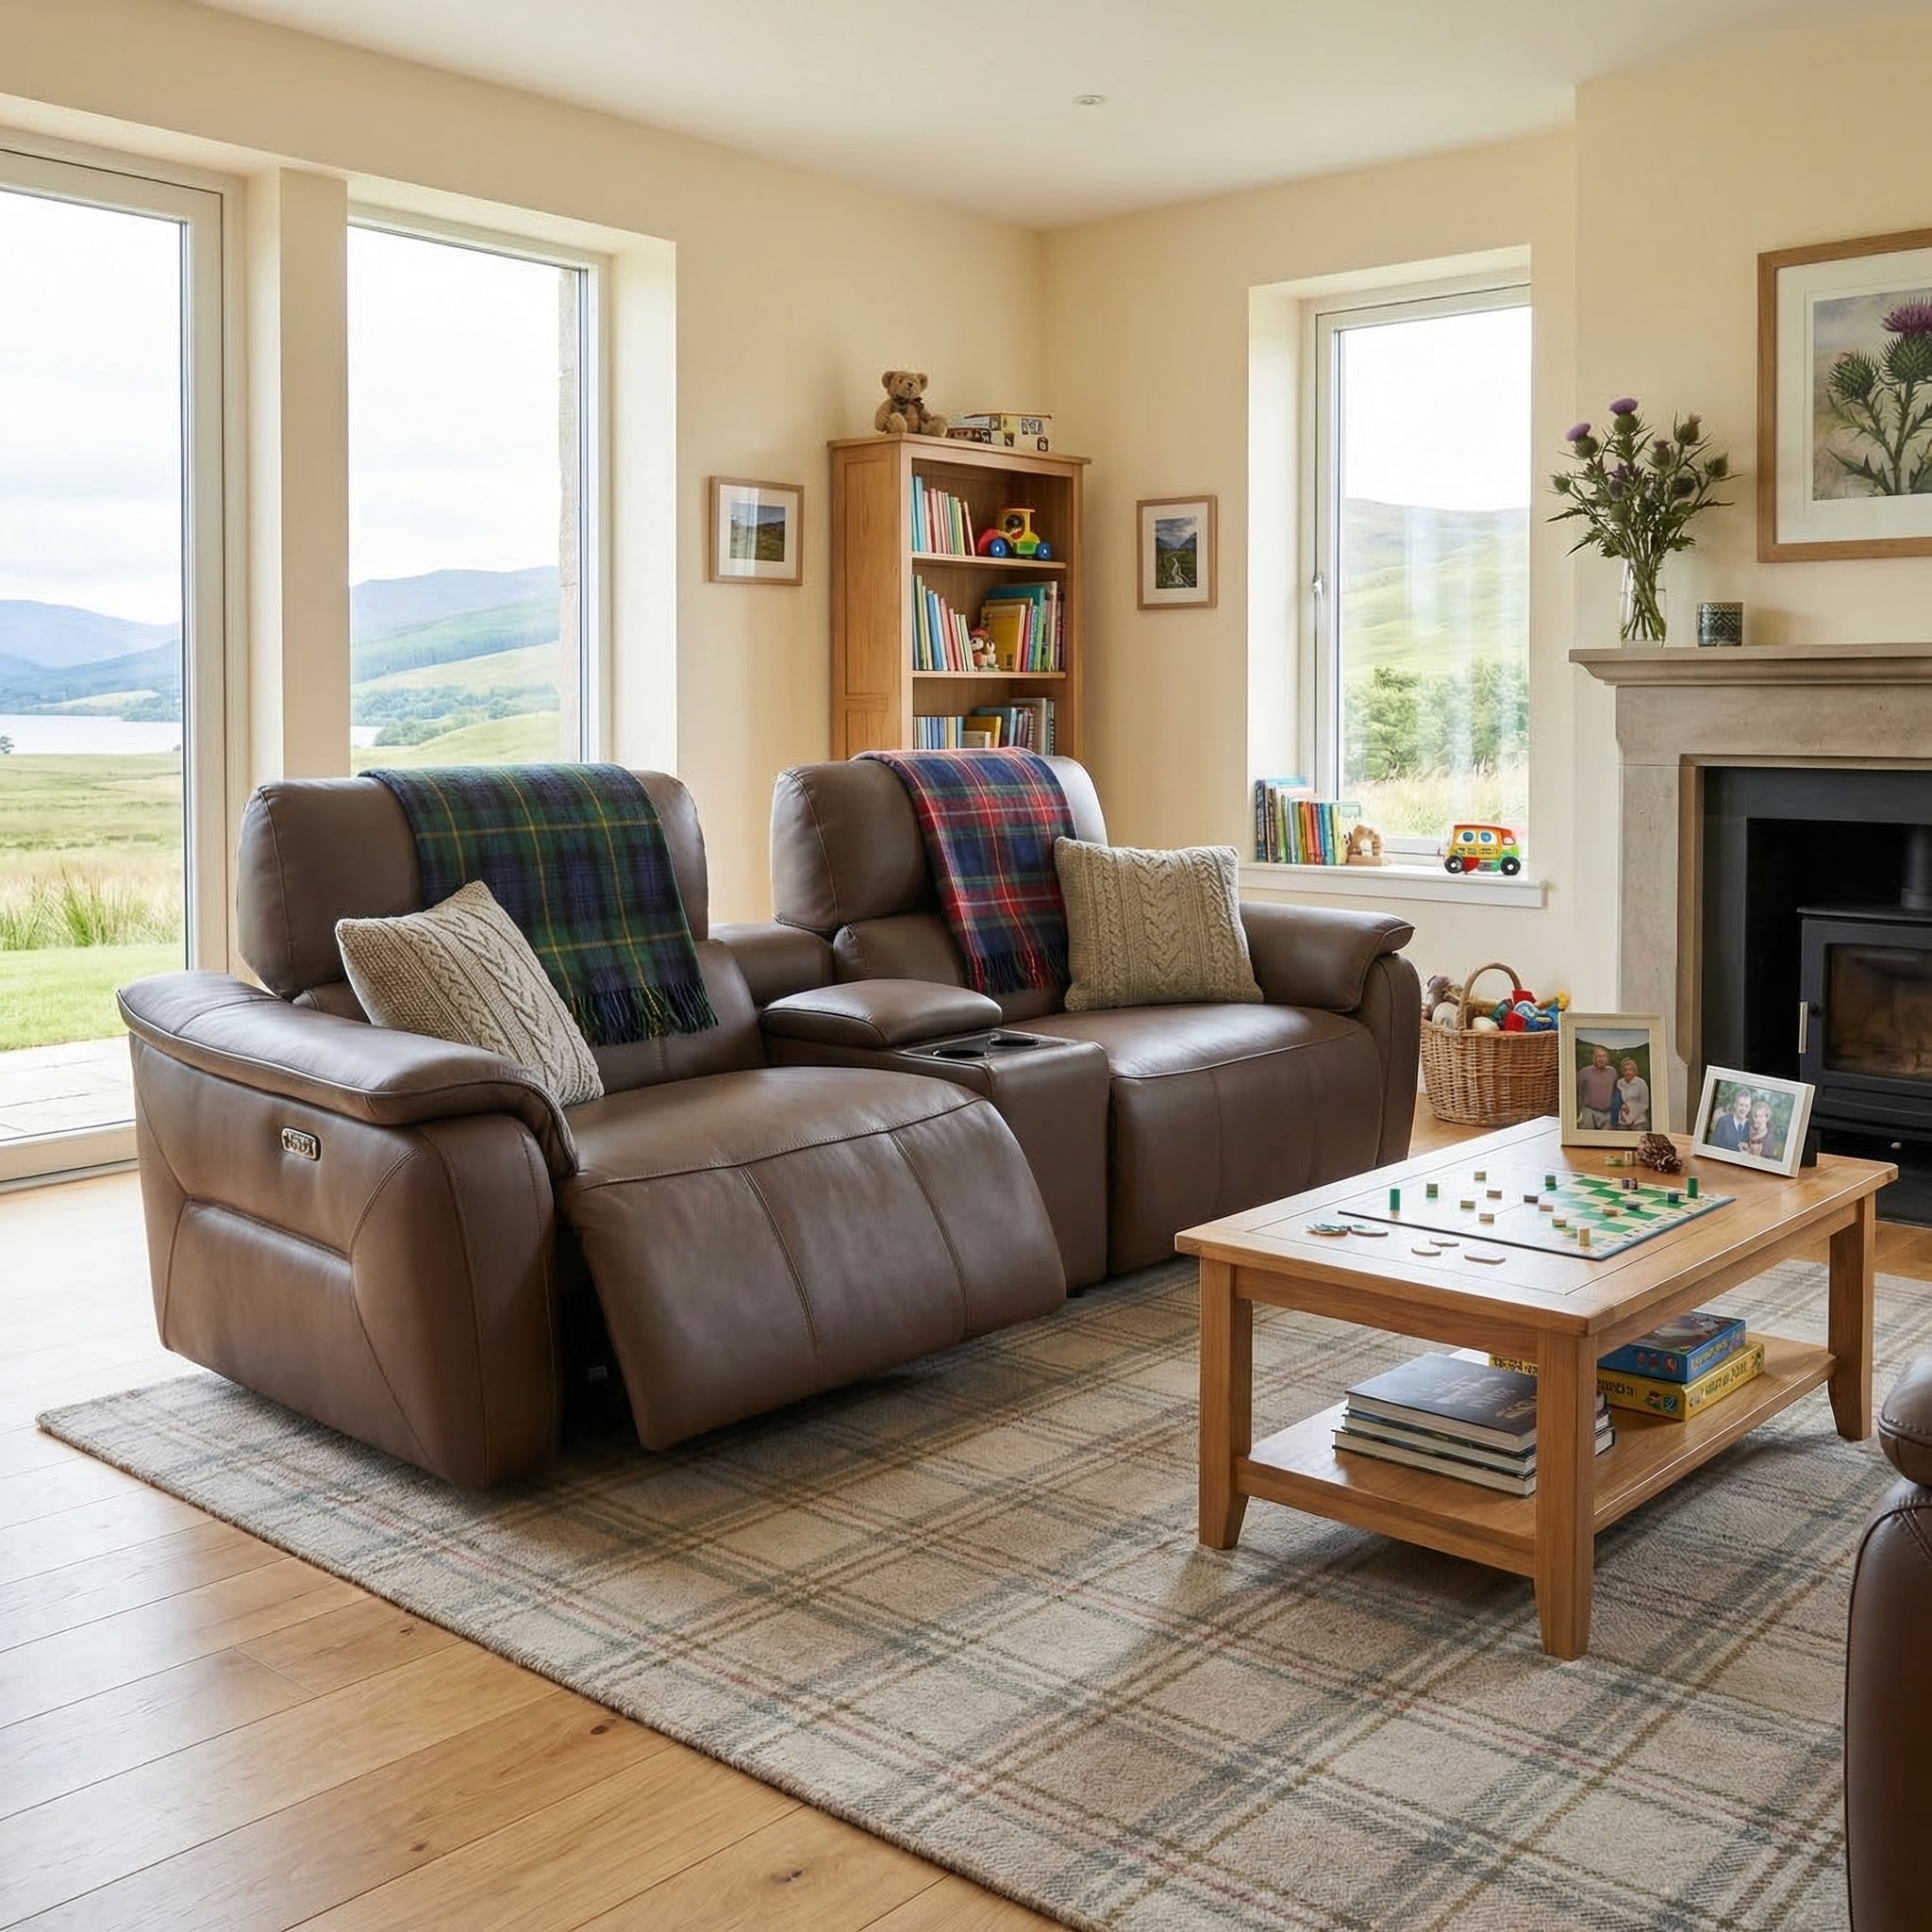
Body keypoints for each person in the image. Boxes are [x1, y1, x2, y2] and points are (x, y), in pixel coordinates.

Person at [1576, 1043, 1618, 1131]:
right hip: (1589, 1112)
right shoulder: (1584, 1072)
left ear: (1608, 1059)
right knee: (1587, 1137)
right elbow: (1578, 1091)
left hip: (1608, 1113)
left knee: (1606, 1138)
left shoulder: (1613, 1071)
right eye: (1599, 1056)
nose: (1602, 1059)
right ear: (1593, 1058)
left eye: (1604, 1056)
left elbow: (1615, 1090)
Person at [1709, 1084, 1752, 1152]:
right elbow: (1714, 1146)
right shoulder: (1723, 1121)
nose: (1743, 1109)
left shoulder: (1750, 1126)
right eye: (1741, 1105)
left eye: (1746, 1106)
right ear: (1735, 1105)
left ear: (1749, 1108)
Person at [1615, 1057, 1651, 1135]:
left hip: (1638, 1120)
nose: (1627, 1072)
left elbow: (1644, 1105)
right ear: (1622, 1071)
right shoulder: (1619, 1083)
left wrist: (1632, 1118)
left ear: (1634, 1071)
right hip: (1622, 1120)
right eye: (1625, 1070)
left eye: (1630, 1069)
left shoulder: (1641, 1083)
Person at [1745, 1096, 1776, 1161]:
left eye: (1761, 1116)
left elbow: (1765, 1159)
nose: (1758, 1119)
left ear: (1767, 1118)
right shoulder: (1748, 1131)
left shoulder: (1769, 1137)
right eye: (1756, 1116)